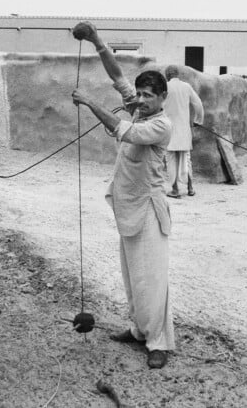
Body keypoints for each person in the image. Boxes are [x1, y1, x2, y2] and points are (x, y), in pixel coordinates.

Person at [70, 21, 174, 370]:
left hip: (149, 210)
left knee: (153, 280)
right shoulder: (137, 107)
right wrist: (96, 39)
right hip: (128, 205)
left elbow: (120, 130)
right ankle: (138, 329)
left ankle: (158, 341)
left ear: (162, 99)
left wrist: (88, 102)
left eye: (149, 96)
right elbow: (117, 76)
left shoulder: (161, 125)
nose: (141, 100)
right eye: (140, 94)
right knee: (132, 276)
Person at [162, 66, 204, 198]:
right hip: (184, 130)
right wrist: (198, 120)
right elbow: (198, 104)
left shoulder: (164, 88)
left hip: (168, 129)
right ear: (177, 75)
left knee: (171, 160)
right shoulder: (186, 87)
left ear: (167, 75)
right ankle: (190, 188)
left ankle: (175, 190)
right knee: (186, 159)